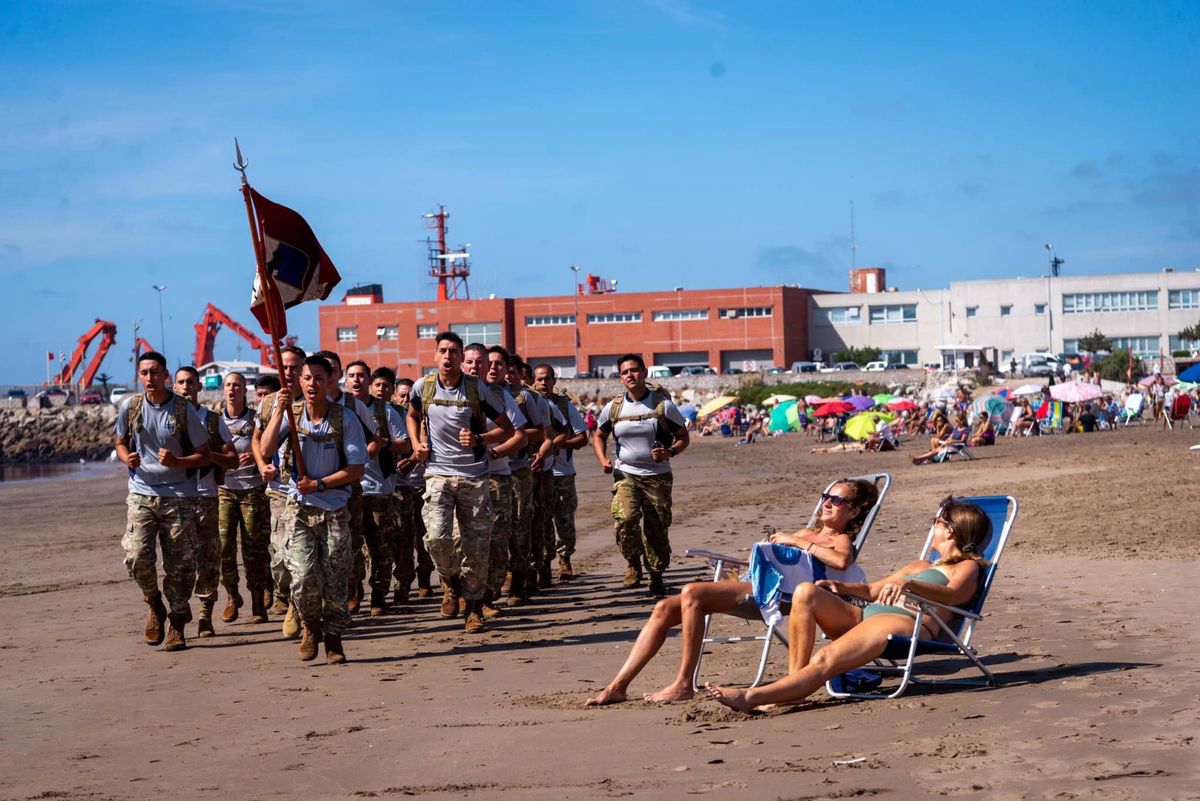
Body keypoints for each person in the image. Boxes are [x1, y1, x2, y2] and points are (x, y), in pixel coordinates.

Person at [584, 478, 880, 706]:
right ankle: (618, 687)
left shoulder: (839, 540)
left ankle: (683, 685)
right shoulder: (804, 533)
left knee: (692, 592)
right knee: (663, 607)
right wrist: (738, 568)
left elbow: (842, 560)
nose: (827, 503)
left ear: (853, 511)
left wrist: (797, 542)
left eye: (837, 500)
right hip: (763, 587)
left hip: (789, 598)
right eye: (826, 497)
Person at [707, 497, 991, 713]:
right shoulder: (921, 565)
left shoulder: (967, 567)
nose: (933, 527)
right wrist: (839, 587)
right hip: (864, 615)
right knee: (806, 592)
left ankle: (751, 697)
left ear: (951, 531)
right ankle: (793, 687)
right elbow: (870, 590)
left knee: (825, 658)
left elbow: (954, 595)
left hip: (902, 624)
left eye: (937, 522)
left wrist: (910, 585)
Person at [261, 355, 368, 663]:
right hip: (299, 508)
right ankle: (310, 626)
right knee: (303, 576)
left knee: (335, 576)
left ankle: (334, 638)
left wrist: (320, 484)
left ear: (330, 380)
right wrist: (279, 410)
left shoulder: (343, 418)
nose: (311, 384)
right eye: (306, 378)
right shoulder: (291, 415)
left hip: (334, 508)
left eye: (318, 378)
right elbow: (267, 449)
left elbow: (356, 468)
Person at [407, 332, 516, 634]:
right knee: (437, 538)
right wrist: (417, 443)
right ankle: (451, 580)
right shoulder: (423, 387)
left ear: (460, 356)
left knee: (477, 547)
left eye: (454, 351)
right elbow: (412, 415)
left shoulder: (476, 389)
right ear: (435, 355)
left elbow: (506, 428)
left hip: (473, 477)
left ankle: (472, 609)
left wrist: (480, 438)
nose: (448, 356)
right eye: (443, 351)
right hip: (438, 474)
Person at [114, 352, 211, 652]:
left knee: (180, 566)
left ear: (165, 375)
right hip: (141, 492)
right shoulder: (130, 407)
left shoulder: (183, 410)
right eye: (144, 373)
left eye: (155, 372)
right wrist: (125, 457)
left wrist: (178, 461)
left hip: (178, 496)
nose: (149, 378)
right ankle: (155, 603)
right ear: (138, 376)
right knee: (136, 555)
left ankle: (178, 623)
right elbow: (119, 441)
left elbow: (205, 453)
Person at [594, 354, 690, 598]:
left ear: (644, 373)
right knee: (625, 521)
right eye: (625, 372)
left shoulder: (662, 405)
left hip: (657, 477)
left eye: (634, 370)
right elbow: (598, 435)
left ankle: (656, 574)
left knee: (656, 528)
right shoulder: (614, 407)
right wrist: (603, 459)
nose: (630, 375)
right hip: (625, 473)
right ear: (620, 377)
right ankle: (633, 563)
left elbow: (683, 436)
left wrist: (669, 451)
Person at [174, 365, 236, 638]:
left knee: (209, 558)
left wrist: (209, 456)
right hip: (174, 499)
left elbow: (232, 459)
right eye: (180, 382)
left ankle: (205, 615)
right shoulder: (169, 419)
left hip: (206, 498)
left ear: (199, 387)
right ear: (174, 386)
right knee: (179, 561)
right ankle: (179, 607)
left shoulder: (212, 421)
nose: (186, 387)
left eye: (190, 382)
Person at [466, 343, 526, 616]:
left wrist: (493, 451)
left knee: (496, 542)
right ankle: (455, 590)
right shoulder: (451, 393)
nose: (485, 367)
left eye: (490, 363)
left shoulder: (500, 396)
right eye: (478, 362)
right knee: (461, 541)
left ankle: (486, 599)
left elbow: (519, 435)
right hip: (461, 477)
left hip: (496, 476)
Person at [252, 344, 306, 638]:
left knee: (300, 554)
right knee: (280, 560)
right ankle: (287, 595)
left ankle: (296, 608)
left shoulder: (314, 400)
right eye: (284, 367)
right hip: (278, 491)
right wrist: (262, 465)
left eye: (295, 367)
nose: (289, 372)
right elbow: (258, 441)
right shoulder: (269, 403)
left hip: (308, 491)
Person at [216, 371, 271, 624]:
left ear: (244, 390)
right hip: (225, 491)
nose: (232, 390)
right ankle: (231, 596)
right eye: (228, 385)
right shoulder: (214, 422)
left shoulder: (256, 418)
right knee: (224, 547)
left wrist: (254, 453)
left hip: (252, 490)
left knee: (254, 549)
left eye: (236, 385)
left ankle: (258, 602)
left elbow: (269, 447)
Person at [357, 365, 410, 616]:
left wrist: (383, 443)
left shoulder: (386, 411)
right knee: (350, 548)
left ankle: (378, 596)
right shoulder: (339, 411)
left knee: (381, 547)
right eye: (352, 376)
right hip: (348, 491)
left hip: (379, 489)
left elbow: (405, 443)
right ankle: (353, 593)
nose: (357, 381)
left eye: (361, 377)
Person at [533, 363, 589, 580]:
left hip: (562, 473)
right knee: (541, 520)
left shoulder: (564, 406)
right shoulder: (529, 403)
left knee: (564, 520)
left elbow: (582, 438)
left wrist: (556, 446)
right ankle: (544, 564)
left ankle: (565, 560)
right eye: (539, 379)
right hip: (536, 473)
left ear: (554, 382)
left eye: (547, 379)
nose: (543, 383)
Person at [390, 377, 434, 601]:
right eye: (402, 394)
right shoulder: (389, 416)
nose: (405, 398)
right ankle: (403, 584)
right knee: (402, 539)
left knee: (425, 537)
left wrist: (413, 458)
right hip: (399, 487)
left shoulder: (423, 418)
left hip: (423, 483)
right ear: (394, 396)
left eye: (409, 395)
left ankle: (425, 578)